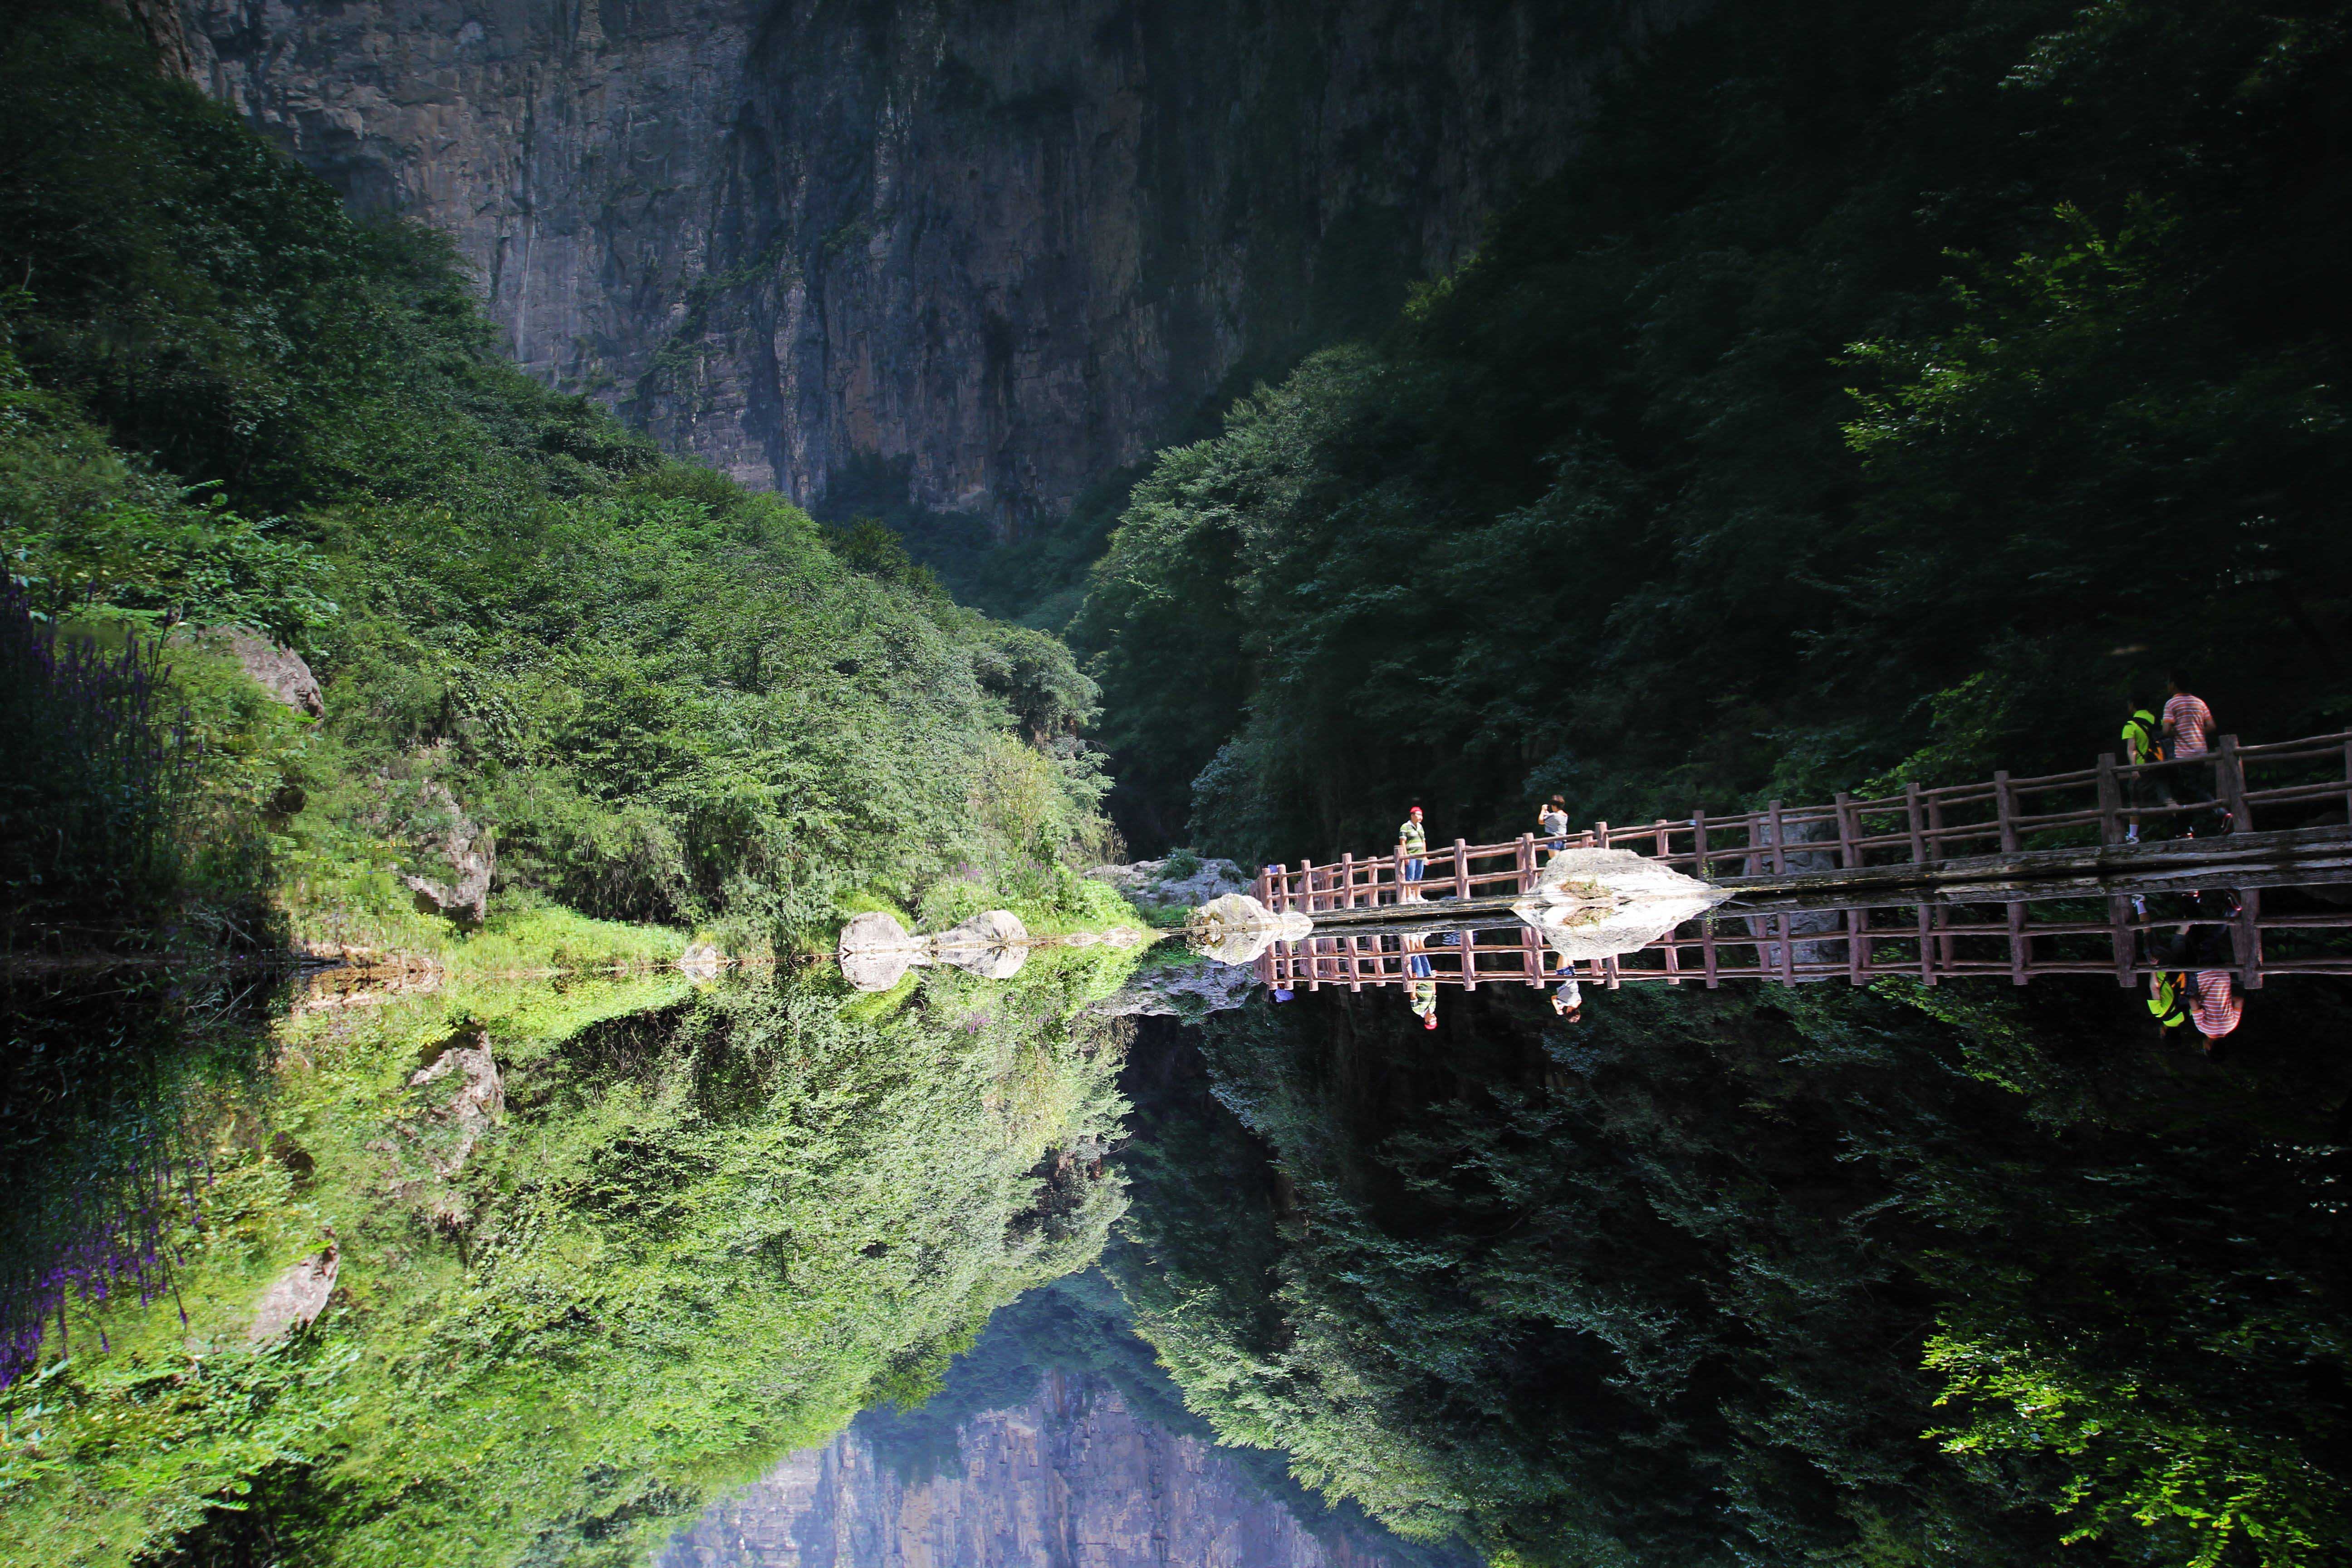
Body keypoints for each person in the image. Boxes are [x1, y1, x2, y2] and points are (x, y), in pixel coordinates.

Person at [2161, 672, 2229, 834]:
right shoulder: (2199, 702)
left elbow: (2166, 730)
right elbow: (2212, 726)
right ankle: (2185, 830)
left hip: (2184, 754)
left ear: (2173, 684)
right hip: (2201, 751)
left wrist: (2177, 734)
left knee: (2191, 787)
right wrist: (2197, 732)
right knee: (2187, 790)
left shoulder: (2172, 704)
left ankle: (2222, 813)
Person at [2118, 699, 2167, 844]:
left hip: (2142, 766)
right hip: (2162, 764)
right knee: (2169, 797)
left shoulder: (2131, 725)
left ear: (2132, 705)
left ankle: (2133, 835)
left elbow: (2131, 750)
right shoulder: (2158, 721)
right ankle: (2185, 830)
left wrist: (2134, 769)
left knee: (2135, 801)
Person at [1396, 805, 1428, 902]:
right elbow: (1402, 842)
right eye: (1419, 815)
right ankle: (1409, 895)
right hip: (1411, 855)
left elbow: (1423, 841)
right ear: (1412, 815)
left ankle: (1418, 896)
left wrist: (1425, 856)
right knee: (1410, 876)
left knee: (1419, 876)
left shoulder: (1420, 827)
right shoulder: (1405, 827)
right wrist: (1406, 856)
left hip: (1420, 855)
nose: (1421, 817)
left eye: (1421, 815)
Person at [1536, 796, 1571, 863]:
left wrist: (1543, 810)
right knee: (1562, 863)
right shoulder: (1565, 815)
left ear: (1554, 806)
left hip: (1554, 840)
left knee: (1555, 863)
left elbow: (1540, 821)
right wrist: (1546, 812)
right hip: (1562, 841)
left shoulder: (1554, 816)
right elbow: (1551, 817)